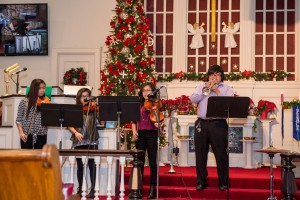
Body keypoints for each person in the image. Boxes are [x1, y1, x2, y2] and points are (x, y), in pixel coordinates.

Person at [190, 65, 234, 191]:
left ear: (221, 77)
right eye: (212, 75)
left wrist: (217, 91)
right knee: (200, 154)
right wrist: (206, 89)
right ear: (208, 76)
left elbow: (229, 103)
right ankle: (201, 181)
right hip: (201, 123)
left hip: (218, 124)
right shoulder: (202, 86)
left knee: (221, 154)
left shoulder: (226, 89)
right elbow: (193, 99)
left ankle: (223, 182)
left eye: (217, 75)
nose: (214, 77)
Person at [132, 82, 162, 199]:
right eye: (144, 90)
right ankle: (138, 188)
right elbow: (133, 120)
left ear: (152, 91)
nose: (146, 92)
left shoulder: (156, 103)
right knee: (139, 163)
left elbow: (159, 119)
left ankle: (152, 188)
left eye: (148, 90)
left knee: (152, 163)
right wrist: (134, 131)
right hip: (140, 135)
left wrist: (157, 122)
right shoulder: (138, 103)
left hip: (152, 134)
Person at [68, 88, 99, 198]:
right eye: (82, 96)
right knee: (80, 166)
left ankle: (93, 190)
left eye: (87, 96)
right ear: (79, 97)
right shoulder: (75, 109)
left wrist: (98, 108)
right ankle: (80, 188)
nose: (85, 98)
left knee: (92, 165)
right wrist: (76, 133)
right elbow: (69, 124)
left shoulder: (94, 109)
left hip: (92, 139)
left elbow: (102, 121)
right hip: (79, 140)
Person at [16, 79, 49, 149]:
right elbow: (18, 120)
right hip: (26, 134)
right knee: (27, 158)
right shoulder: (24, 101)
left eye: (43, 88)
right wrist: (21, 133)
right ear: (34, 88)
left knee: (40, 158)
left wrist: (48, 108)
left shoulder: (46, 101)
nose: (42, 90)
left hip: (41, 134)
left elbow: (49, 118)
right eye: (40, 88)